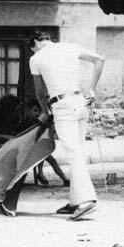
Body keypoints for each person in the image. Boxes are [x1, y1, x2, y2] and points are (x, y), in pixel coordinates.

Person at [29, 31, 104, 220]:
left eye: (33, 46)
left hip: (62, 105)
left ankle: (86, 200)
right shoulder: (70, 47)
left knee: (73, 154)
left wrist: (45, 112)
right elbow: (100, 59)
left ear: (36, 43)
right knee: (78, 152)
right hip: (80, 102)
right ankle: (74, 201)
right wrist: (92, 89)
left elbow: (39, 92)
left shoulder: (36, 58)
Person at [24, 99, 69, 187]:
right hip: (28, 149)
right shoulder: (27, 122)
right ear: (29, 111)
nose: (37, 113)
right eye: (35, 111)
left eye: (38, 111)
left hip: (36, 148)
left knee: (48, 157)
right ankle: (59, 177)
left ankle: (63, 178)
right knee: (46, 156)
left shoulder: (37, 121)